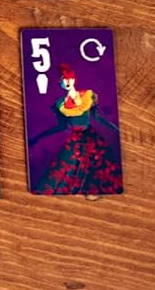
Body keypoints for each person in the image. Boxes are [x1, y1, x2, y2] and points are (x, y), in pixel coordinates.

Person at [28, 63, 123, 194]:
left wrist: (118, 131)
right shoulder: (61, 104)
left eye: (69, 79)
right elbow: (61, 126)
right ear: (60, 83)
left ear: (73, 80)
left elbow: (98, 118)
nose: (67, 82)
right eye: (63, 80)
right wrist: (38, 138)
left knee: (99, 171)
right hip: (75, 141)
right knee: (67, 171)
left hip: (91, 138)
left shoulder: (87, 96)